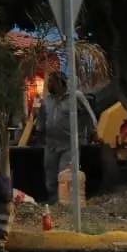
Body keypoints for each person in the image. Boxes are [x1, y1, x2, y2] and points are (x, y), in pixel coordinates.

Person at [37, 71, 96, 204]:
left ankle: (65, 203)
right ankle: (53, 201)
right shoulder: (47, 100)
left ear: (60, 82)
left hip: (69, 145)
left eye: (51, 82)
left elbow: (89, 114)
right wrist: (39, 133)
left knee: (64, 174)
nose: (48, 85)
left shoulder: (76, 97)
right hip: (51, 144)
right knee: (51, 176)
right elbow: (42, 118)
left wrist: (93, 131)